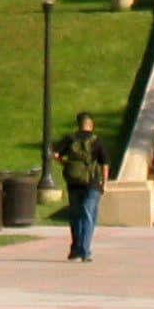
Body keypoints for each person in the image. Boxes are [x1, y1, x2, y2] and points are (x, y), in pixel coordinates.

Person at [56, 111, 110, 262]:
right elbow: (105, 163)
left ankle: (75, 250)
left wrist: (66, 164)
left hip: (74, 183)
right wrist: (104, 183)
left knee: (75, 216)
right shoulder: (96, 141)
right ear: (91, 125)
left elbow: (54, 154)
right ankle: (84, 251)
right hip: (92, 183)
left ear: (79, 125)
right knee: (88, 215)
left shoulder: (70, 139)